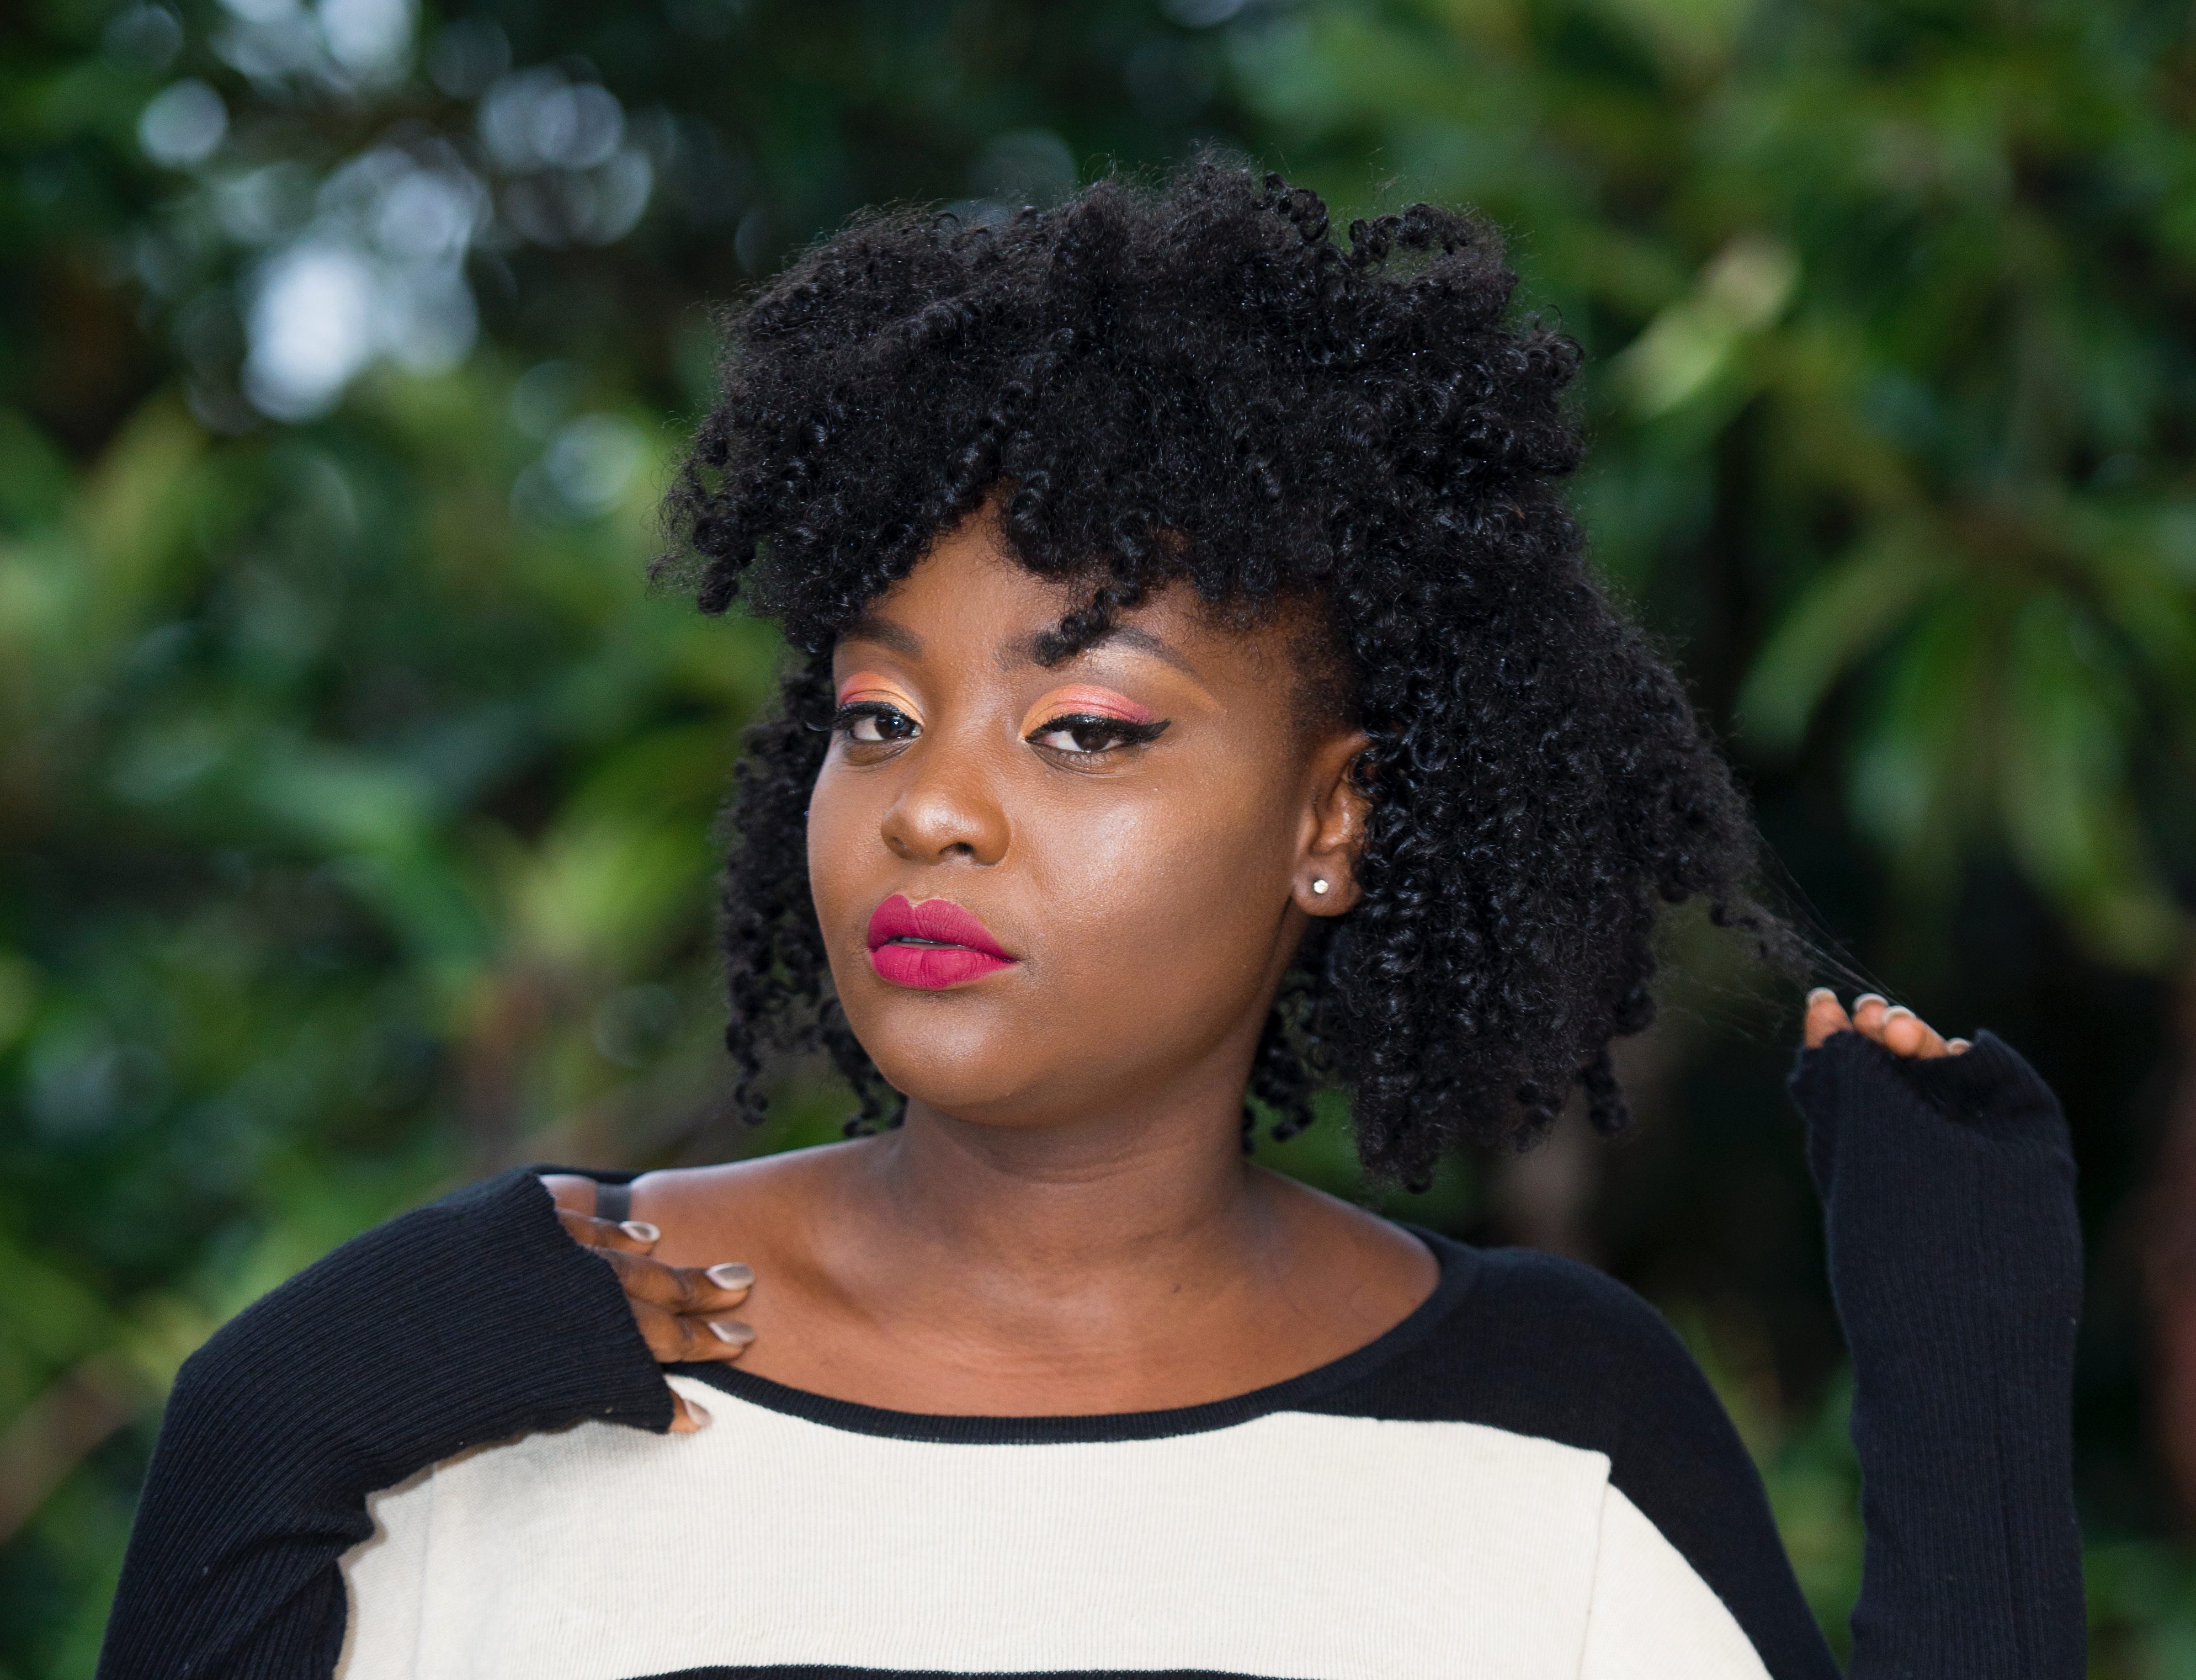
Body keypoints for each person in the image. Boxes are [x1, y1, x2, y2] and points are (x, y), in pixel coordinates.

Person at [97, 165, 2083, 1680]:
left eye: (1085, 726)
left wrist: (1965, 1371)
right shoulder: (496, 1367)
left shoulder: (1553, 1439)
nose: (932, 806)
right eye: (879, 716)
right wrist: (283, 1404)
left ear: (1331, 821)